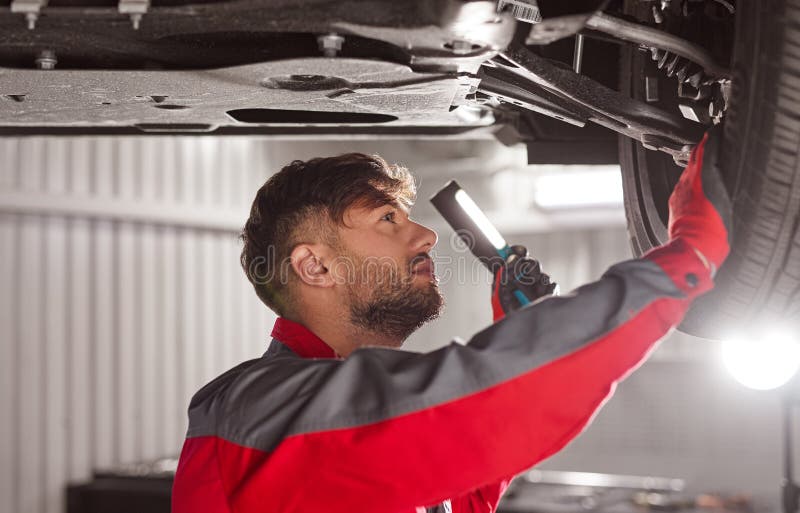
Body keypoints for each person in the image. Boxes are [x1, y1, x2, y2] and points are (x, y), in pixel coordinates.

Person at [171, 130, 731, 513]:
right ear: (315, 266)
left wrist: (517, 329)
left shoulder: (332, 411)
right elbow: (485, 410)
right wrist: (691, 255)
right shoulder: (257, 409)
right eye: (387, 219)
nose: (426, 236)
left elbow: (454, 483)